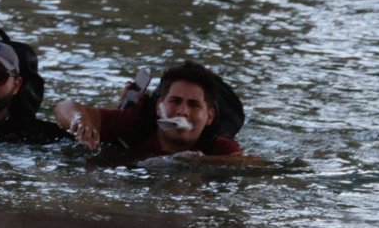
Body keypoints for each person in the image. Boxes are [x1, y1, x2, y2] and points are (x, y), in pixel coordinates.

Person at [53, 60, 243, 162]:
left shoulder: (218, 149)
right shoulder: (133, 126)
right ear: (159, 108)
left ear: (209, 117)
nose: (183, 111)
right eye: (175, 101)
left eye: (194, 105)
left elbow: (250, 166)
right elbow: (65, 106)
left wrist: (195, 162)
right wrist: (79, 120)